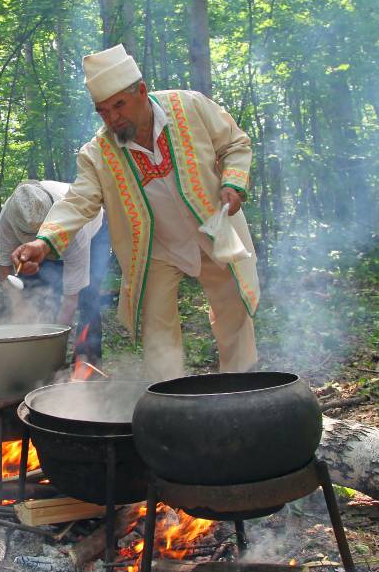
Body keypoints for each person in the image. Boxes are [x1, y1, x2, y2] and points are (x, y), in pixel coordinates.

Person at [13, 44, 261, 380]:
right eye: (103, 111)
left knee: (232, 309)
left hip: (212, 229)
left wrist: (233, 182)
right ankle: (169, 397)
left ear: (141, 91)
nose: (113, 118)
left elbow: (234, 143)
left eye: (119, 105)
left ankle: (241, 385)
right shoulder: (97, 154)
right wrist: (42, 243)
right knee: (157, 328)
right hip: (156, 250)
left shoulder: (189, 106)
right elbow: (77, 201)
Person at [0, 180, 111, 364]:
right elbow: (4, 268)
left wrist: (52, 343)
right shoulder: (11, 214)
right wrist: (18, 305)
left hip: (94, 230)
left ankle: (87, 361)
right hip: (59, 238)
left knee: (87, 295)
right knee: (38, 292)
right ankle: (32, 359)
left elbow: (70, 300)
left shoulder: (76, 228)